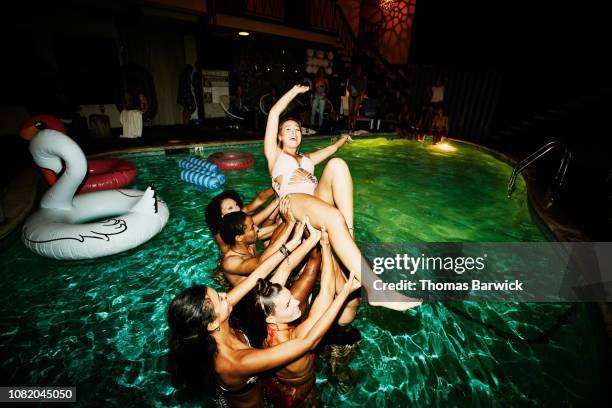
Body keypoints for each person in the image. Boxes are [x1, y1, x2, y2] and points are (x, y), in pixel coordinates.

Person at [167, 221, 360, 407]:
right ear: (211, 324)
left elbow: (255, 277)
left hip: (270, 385)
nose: (226, 295)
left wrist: (294, 243)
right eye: (220, 298)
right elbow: (308, 342)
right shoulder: (235, 362)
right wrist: (343, 294)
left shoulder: (218, 320)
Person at [265, 85, 422, 311]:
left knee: (337, 165)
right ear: (279, 136)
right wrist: (293, 93)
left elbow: (330, 151)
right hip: (295, 203)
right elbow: (273, 114)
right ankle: (377, 290)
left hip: (317, 203)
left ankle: (348, 230)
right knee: (331, 215)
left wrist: (341, 141)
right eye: (288, 129)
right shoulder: (274, 156)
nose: (293, 132)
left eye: (297, 129)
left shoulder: (307, 159)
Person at [255, 226, 351, 406]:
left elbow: (285, 268)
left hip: (278, 381)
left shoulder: (262, 306)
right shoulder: (295, 339)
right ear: (271, 319)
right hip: (300, 395)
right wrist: (326, 247)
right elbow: (328, 292)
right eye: (288, 305)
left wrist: (311, 240)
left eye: (289, 297)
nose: (296, 303)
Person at [205, 188, 278, 254]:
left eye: (236, 205)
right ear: (221, 216)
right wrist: (278, 199)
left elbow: (260, 199)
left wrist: (278, 186)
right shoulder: (221, 233)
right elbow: (255, 222)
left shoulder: (238, 214)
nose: (237, 209)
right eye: (230, 208)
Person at [347, 65, 367, 131]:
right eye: (357, 69)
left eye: (360, 69)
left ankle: (354, 126)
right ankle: (349, 125)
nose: (358, 70)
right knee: (350, 111)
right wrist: (352, 91)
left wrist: (360, 94)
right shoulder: (352, 76)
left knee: (355, 111)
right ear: (355, 69)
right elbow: (348, 87)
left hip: (358, 95)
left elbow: (364, 89)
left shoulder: (363, 78)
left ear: (361, 70)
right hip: (351, 95)